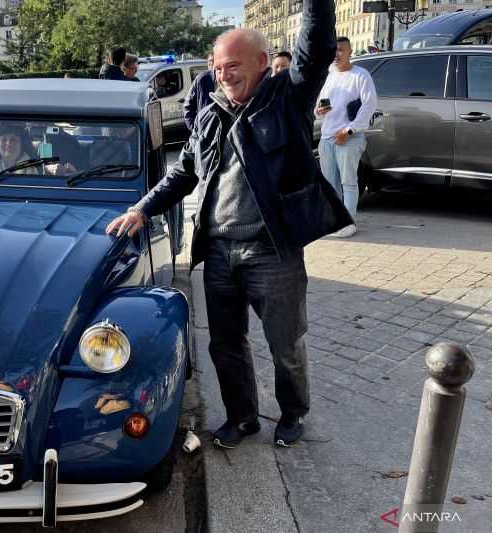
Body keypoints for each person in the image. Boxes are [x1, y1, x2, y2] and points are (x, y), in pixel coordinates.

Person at [106, 0, 351, 449]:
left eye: (233, 65)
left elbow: (314, 47)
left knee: (286, 344)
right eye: (218, 68)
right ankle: (242, 418)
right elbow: (184, 171)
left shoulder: (288, 97)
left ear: (262, 62)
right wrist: (142, 208)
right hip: (219, 252)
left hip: (271, 253)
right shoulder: (210, 111)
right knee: (225, 346)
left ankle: (293, 413)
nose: (224, 74)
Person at [315, 36, 378, 238]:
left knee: (348, 181)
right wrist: (319, 110)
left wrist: (349, 130)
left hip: (349, 137)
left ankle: (348, 222)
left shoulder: (361, 75)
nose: (337, 54)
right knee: (330, 183)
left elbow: (369, 105)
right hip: (327, 136)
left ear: (350, 52)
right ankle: (334, 220)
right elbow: (319, 106)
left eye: (341, 50)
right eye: (334, 50)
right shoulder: (330, 75)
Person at [183, 52, 216, 132]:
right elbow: (188, 106)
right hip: (205, 132)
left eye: (213, 62)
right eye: (209, 63)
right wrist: (194, 130)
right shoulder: (202, 79)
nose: (212, 66)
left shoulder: (231, 79)